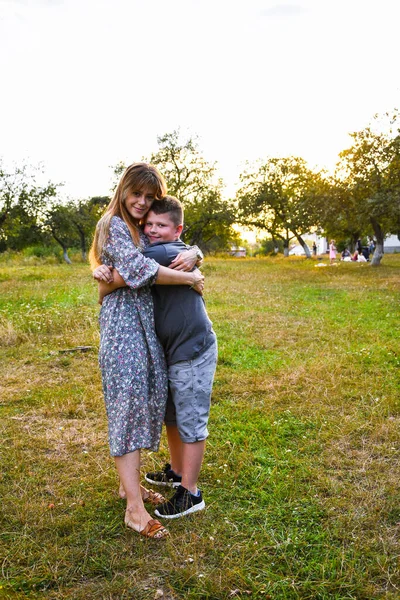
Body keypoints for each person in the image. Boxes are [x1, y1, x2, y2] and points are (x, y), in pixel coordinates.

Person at [89, 163, 204, 540]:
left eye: (149, 197)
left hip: (144, 327)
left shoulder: (138, 227)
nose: (142, 202)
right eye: (136, 194)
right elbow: (140, 269)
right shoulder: (113, 223)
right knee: (128, 408)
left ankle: (128, 487)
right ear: (123, 190)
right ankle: (134, 510)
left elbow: (168, 246)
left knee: (141, 404)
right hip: (124, 329)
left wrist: (195, 254)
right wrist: (190, 277)